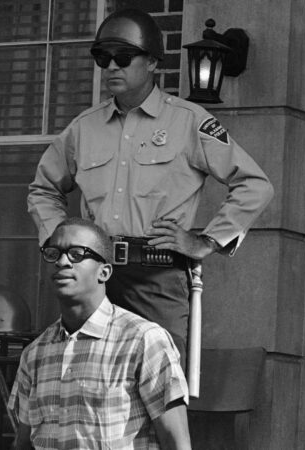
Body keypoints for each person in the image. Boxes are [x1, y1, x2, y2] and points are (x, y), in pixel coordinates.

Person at [28, 8, 274, 363]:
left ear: (152, 62)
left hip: (156, 277)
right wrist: (62, 243)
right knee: (88, 381)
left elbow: (254, 184)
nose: (112, 67)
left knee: (160, 382)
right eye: (103, 58)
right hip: (93, 275)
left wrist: (206, 241)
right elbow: (43, 189)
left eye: (123, 57)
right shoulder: (83, 128)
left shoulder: (188, 121)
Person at [8, 217, 191, 450]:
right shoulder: (35, 354)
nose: (62, 261)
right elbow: (23, 444)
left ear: (104, 272)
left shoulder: (143, 341)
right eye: (53, 254)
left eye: (76, 254)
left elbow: (177, 442)